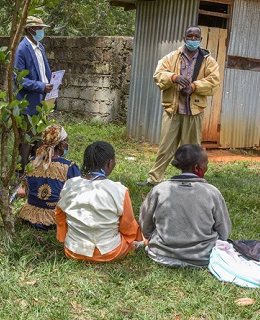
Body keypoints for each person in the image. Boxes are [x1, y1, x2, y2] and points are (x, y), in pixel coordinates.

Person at [140, 26, 221, 187]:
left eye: (195, 36)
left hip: (194, 111)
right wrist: (173, 77)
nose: (192, 39)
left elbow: (214, 81)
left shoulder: (208, 61)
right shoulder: (172, 57)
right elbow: (158, 74)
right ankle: (154, 179)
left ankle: (192, 179)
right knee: (165, 147)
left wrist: (194, 87)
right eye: (189, 36)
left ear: (200, 39)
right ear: (184, 38)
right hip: (173, 110)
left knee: (192, 149)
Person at [139, 144, 231, 268]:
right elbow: (224, 232)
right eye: (206, 164)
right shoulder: (211, 192)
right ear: (197, 167)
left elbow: (146, 227)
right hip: (203, 257)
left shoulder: (159, 190)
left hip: (161, 255)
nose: (207, 167)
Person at [55, 141, 144, 262]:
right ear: (109, 163)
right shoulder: (119, 190)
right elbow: (127, 226)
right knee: (139, 240)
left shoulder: (69, 185)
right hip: (110, 252)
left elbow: (60, 215)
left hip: (73, 251)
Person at [17, 124, 80, 231]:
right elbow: (76, 197)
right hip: (54, 219)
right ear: (61, 145)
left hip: (28, 216)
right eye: (67, 141)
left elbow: (27, 191)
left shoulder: (32, 162)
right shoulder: (69, 167)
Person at [14, 15, 54, 170]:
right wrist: (41, 86)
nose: (42, 31)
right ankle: (21, 175)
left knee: (39, 139)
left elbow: (43, 71)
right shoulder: (22, 49)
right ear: (30, 29)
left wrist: (52, 83)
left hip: (41, 102)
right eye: (39, 29)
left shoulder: (40, 47)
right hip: (28, 103)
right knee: (25, 142)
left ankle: (35, 173)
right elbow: (19, 79)